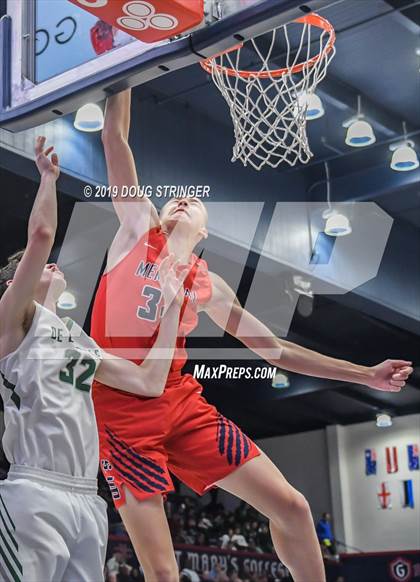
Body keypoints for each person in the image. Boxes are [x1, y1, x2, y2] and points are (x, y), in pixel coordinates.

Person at [92, 89, 413, 582]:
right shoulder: (137, 231)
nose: (182, 200)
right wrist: (126, 70)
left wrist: (365, 373)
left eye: (194, 201)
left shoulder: (209, 284)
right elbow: (115, 137)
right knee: (162, 571)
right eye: (175, 197)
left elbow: (278, 351)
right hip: (120, 411)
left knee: (293, 507)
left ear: (205, 230)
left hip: (181, 404)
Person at [0, 137, 186, 581]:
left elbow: (147, 382)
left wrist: (175, 306)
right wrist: (48, 179)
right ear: (14, 283)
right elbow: (42, 235)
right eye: (38, 266)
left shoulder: (76, 338)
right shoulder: (11, 322)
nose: (52, 265)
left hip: (88, 497)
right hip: (34, 490)